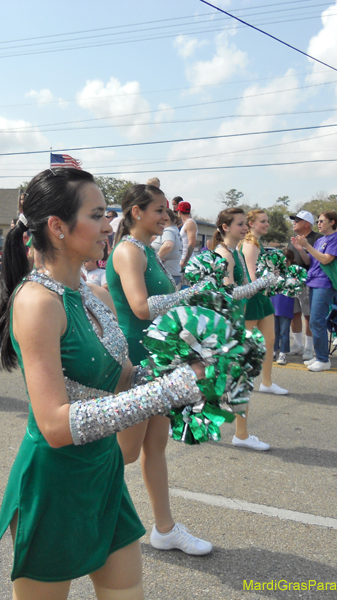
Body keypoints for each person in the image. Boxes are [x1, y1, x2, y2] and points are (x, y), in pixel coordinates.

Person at [0, 168, 208, 599]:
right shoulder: (36, 303)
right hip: (55, 483)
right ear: (58, 227)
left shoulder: (91, 292)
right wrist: (165, 392)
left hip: (103, 472)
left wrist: (191, 373)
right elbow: (54, 424)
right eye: (98, 214)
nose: (110, 225)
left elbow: (122, 376)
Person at [106, 183, 213, 556]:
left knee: (156, 446)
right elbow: (140, 307)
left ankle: (164, 529)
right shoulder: (127, 251)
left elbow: (165, 309)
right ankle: (78, 511)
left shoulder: (147, 251)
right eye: (159, 210)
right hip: (138, 361)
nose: (166, 217)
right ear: (136, 212)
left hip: (161, 357)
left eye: (166, 211)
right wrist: (189, 293)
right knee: (126, 452)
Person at [212, 207, 271, 451]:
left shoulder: (234, 251)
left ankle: (241, 434)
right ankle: (241, 435)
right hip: (225, 325)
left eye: (244, 224)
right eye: (239, 224)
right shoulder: (223, 254)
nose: (245, 228)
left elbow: (245, 286)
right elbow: (230, 292)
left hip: (235, 322)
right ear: (226, 227)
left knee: (235, 379)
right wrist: (263, 282)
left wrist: (268, 279)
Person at [291, 211, 337, 372]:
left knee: (316, 320)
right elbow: (310, 261)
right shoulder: (321, 240)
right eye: (318, 221)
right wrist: (301, 250)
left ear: (332, 222)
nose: (319, 223)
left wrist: (307, 245)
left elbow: (326, 259)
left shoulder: (336, 239)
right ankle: (319, 355)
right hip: (313, 281)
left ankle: (323, 359)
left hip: (325, 283)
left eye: (322, 221)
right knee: (315, 321)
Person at [241, 209, 287, 395]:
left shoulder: (258, 242)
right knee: (247, 343)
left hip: (262, 297)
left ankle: (266, 383)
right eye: (263, 221)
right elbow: (253, 278)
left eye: (267, 221)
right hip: (252, 298)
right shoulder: (250, 244)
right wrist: (271, 278)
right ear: (251, 223)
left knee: (270, 340)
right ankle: (239, 381)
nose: (267, 224)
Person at [286, 210, 321, 360]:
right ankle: (298, 345)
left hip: (309, 282)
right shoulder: (293, 239)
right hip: (292, 281)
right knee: (294, 314)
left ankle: (308, 347)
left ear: (307, 224)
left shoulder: (317, 238)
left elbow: (314, 261)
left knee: (308, 316)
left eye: (297, 220)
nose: (294, 222)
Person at [272, 249, 297, 366]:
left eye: (286, 260)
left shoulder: (293, 273)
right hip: (273, 304)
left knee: (284, 331)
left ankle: (283, 352)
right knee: (274, 331)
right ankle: (273, 350)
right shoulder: (274, 272)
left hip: (286, 306)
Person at [151, 207, 183, 286]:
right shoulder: (174, 230)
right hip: (173, 272)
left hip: (167, 273)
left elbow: (168, 245)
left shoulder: (168, 231)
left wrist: (156, 258)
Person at [177, 200, 197, 272]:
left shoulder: (190, 223)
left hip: (187, 263)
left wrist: (184, 262)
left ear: (179, 212)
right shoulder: (185, 224)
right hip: (182, 259)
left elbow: (192, 243)